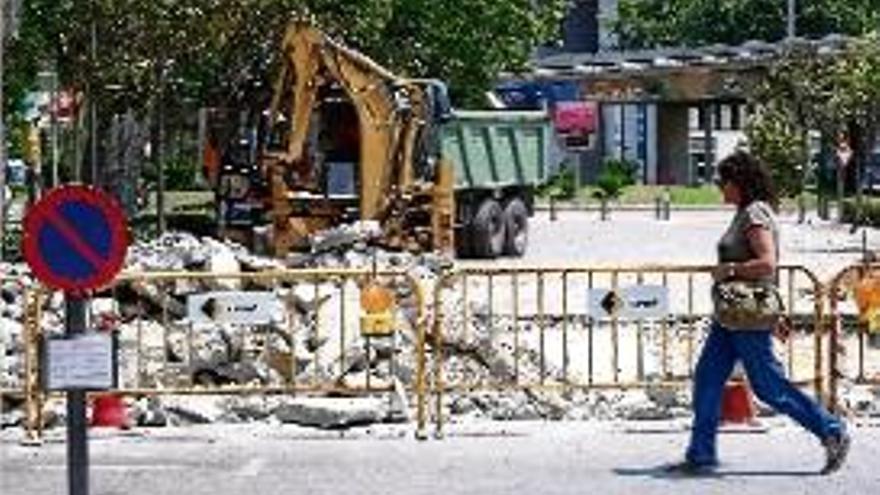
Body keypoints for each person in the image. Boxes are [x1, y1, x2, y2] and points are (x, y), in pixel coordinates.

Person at [668, 150, 850, 475]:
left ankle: (831, 430)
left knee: (769, 386)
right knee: (708, 379)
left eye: (723, 182)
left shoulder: (754, 214)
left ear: (739, 183)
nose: (720, 189)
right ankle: (701, 454)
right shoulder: (745, 212)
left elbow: (768, 263)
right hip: (732, 317)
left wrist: (730, 270)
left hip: (747, 317)